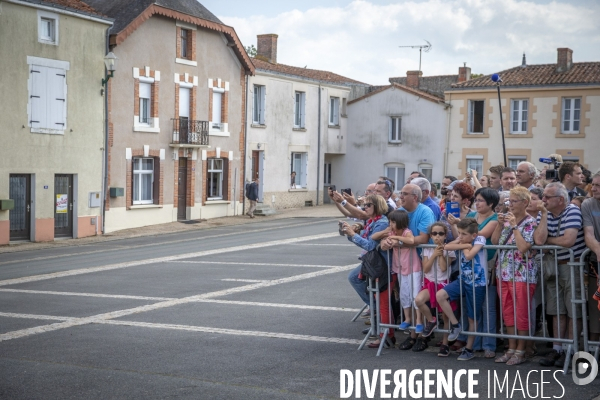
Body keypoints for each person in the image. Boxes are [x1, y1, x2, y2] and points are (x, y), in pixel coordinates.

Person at [534, 182, 586, 368]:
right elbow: (539, 240)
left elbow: (568, 240)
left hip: (572, 265)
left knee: (573, 310)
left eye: (548, 197)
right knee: (556, 310)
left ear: (561, 200)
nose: (543, 200)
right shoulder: (544, 212)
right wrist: (545, 215)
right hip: (553, 265)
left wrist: (549, 241)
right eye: (543, 196)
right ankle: (558, 349)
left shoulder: (572, 211)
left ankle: (571, 350)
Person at [381, 184, 435, 351]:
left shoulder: (425, 211)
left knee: (418, 297)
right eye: (401, 193)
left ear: (415, 197)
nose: (400, 196)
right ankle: (412, 335)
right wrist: (386, 241)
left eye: (404, 194)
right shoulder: (401, 212)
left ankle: (422, 338)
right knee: (406, 297)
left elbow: (423, 238)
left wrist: (398, 241)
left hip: (424, 261)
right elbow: (387, 232)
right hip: (404, 263)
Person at [491, 187, 538, 365]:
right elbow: (495, 242)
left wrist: (515, 226)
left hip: (523, 274)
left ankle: (521, 350)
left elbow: (523, 247)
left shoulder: (530, 222)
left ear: (525, 203)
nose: (510, 205)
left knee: (521, 313)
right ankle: (511, 348)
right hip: (503, 273)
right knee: (508, 312)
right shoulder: (507, 220)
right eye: (509, 201)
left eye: (514, 201)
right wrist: (499, 224)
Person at [451, 188, 499, 357]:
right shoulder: (471, 217)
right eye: (476, 200)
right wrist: (455, 225)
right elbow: (460, 236)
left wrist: (461, 228)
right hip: (468, 266)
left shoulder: (494, 219)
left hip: (487, 265)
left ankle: (489, 345)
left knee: (488, 307)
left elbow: (479, 235)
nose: (476, 203)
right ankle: (475, 343)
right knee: (472, 308)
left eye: (480, 200)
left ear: (491, 203)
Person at [436, 218, 488, 361]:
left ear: (474, 235)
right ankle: (455, 324)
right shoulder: (465, 240)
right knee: (440, 295)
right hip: (462, 279)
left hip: (477, 283)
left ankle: (469, 348)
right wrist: (463, 243)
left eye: (464, 234)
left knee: (472, 318)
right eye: (459, 233)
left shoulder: (480, 239)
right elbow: (446, 247)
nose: (460, 236)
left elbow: (469, 255)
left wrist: (463, 245)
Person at [373, 210, 421, 349]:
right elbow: (375, 237)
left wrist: (396, 239)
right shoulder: (391, 233)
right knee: (404, 294)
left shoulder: (406, 232)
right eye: (390, 222)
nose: (391, 224)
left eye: (393, 222)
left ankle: (418, 320)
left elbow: (411, 240)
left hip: (413, 268)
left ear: (400, 222)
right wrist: (386, 235)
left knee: (415, 294)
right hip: (400, 268)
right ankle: (407, 318)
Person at [342, 195, 390, 318]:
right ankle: (375, 311)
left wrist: (353, 234)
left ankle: (375, 309)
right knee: (354, 278)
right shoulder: (372, 221)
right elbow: (363, 241)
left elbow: (370, 246)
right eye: (364, 205)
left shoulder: (382, 223)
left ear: (377, 206)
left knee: (354, 278)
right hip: (372, 260)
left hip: (381, 262)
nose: (365, 208)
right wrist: (350, 233)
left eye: (368, 205)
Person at [416, 222, 457, 357]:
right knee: (419, 300)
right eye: (434, 233)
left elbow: (444, 268)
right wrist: (434, 253)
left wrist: (441, 252)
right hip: (430, 282)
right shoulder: (427, 248)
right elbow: (426, 268)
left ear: (445, 235)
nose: (437, 236)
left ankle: (445, 343)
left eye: (440, 233)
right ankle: (431, 320)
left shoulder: (449, 249)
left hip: (443, 283)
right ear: (431, 235)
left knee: (445, 316)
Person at [582, 172, 600, 344]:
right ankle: (593, 355)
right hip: (596, 264)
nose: (593, 188)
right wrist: (598, 250)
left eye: (598, 185)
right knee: (595, 310)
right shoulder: (588, 204)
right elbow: (589, 235)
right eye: (593, 184)